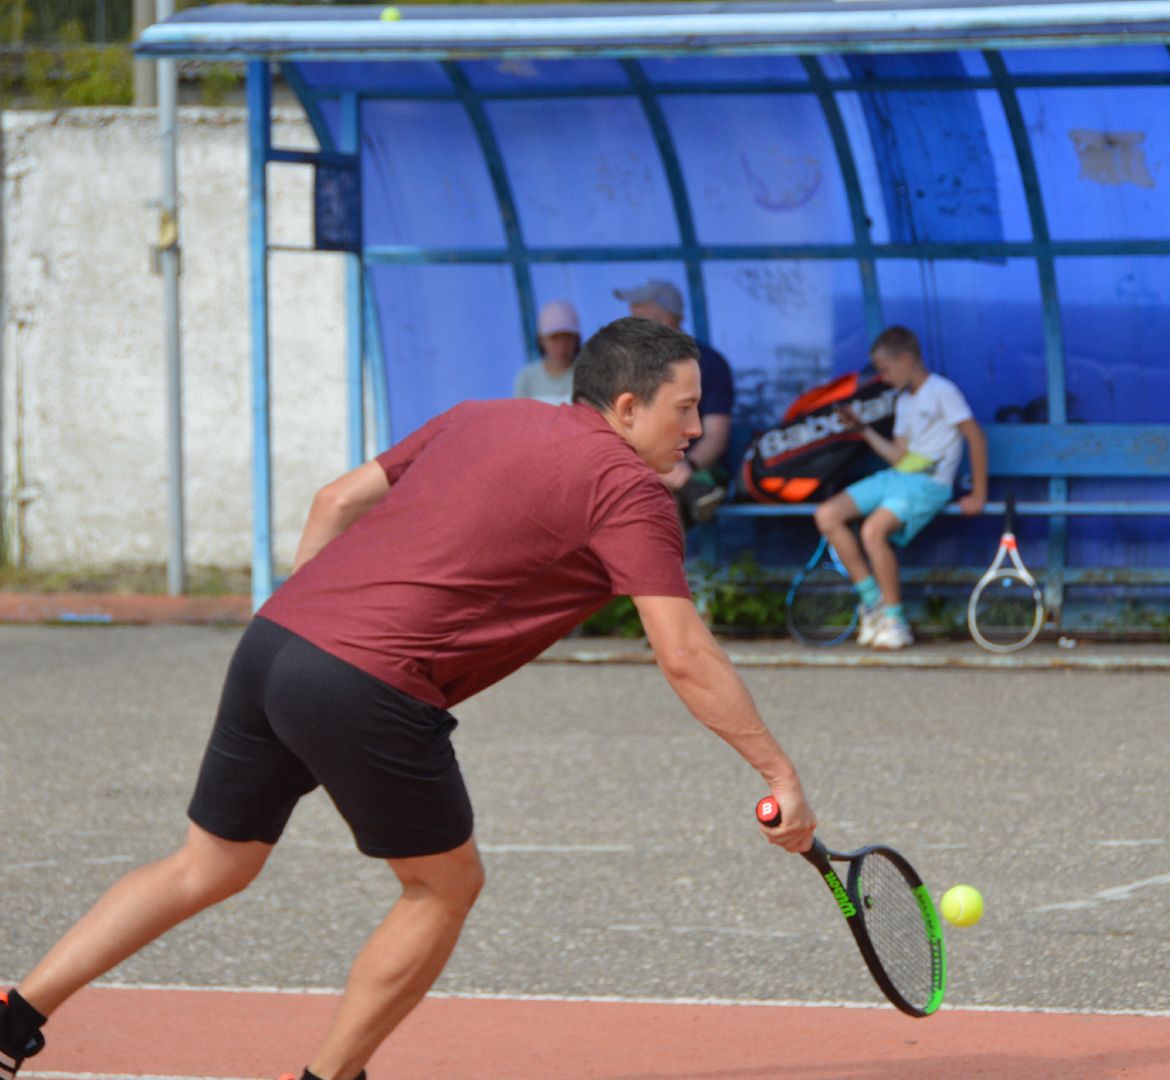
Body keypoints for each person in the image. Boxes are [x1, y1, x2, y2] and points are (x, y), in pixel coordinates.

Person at [0, 318, 817, 1080]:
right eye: (685, 408)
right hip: (368, 682)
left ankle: (11, 1019)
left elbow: (335, 499)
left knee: (207, 863)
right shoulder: (631, 493)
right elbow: (685, 655)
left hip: (276, 640)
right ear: (628, 405)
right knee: (442, 888)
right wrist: (779, 773)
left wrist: (317, 614)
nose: (693, 426)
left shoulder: (482, 415)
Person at [812, 326, 987, 651]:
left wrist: (978, 493)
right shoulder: (904, 401)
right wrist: (862, 429)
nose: (884, 378)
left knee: (872, 531)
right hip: (897, 478)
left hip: (929, 484)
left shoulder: (942, 391)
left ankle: (896, 621)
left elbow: (975, 438)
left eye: (885, 369)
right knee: (827, 515)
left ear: (906, 358)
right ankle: (873, 603)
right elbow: (899, 456)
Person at [613, 279, 734, 527]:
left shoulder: (709, 364)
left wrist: (686, 465)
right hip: (647, 466)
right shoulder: (629, 366)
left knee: (660, 495)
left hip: (698, 468)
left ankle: (663, 565)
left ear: (665, 321)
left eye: (637, 320)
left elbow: (716, 436)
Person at [512, 298, 582, 406]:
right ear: (541, 340)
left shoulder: (587, 375)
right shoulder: (527, 378)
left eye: (567, 337)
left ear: (577, 339)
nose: (561, 345)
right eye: (554, 338)